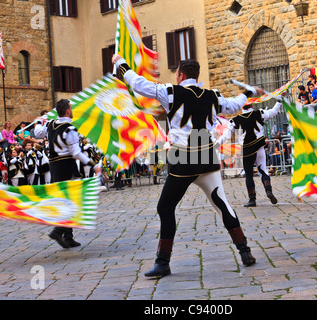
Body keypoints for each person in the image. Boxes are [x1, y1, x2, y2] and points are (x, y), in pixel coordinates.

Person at [112, 53, 262, 277]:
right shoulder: (213, 96)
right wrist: (249, 92)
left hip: (184, 158)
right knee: (222, 205)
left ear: (180, 75)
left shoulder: (171, 92)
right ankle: (245, 251)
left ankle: (163, 262)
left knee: (165, 207)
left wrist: (120, 64)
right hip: (207, 157)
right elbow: (234, 106)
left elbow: (138, 84)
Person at [34, 99, 101, 249]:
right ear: (68, 111)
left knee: (65, 199)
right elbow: (76, 153)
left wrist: (38, 121)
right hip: (66, 166)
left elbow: (38, 132)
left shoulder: (51, 124)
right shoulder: (70, 129)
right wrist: (93, 165)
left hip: (54, 167)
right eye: (71, 108)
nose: (72, 110)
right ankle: (58, 231)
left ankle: (68, 236)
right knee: (73, 200)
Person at [216, 94, 286, 208]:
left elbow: (226, 136)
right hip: (259, 146)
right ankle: (268, 190)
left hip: (247, 149)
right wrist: (279, 100)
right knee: (263, 170)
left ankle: (252, 199)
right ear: (252, 105)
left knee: (249, 174)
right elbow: (274, 112)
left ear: (241, 107)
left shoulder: (235, 120)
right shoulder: (260, 113)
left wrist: (215, 145)